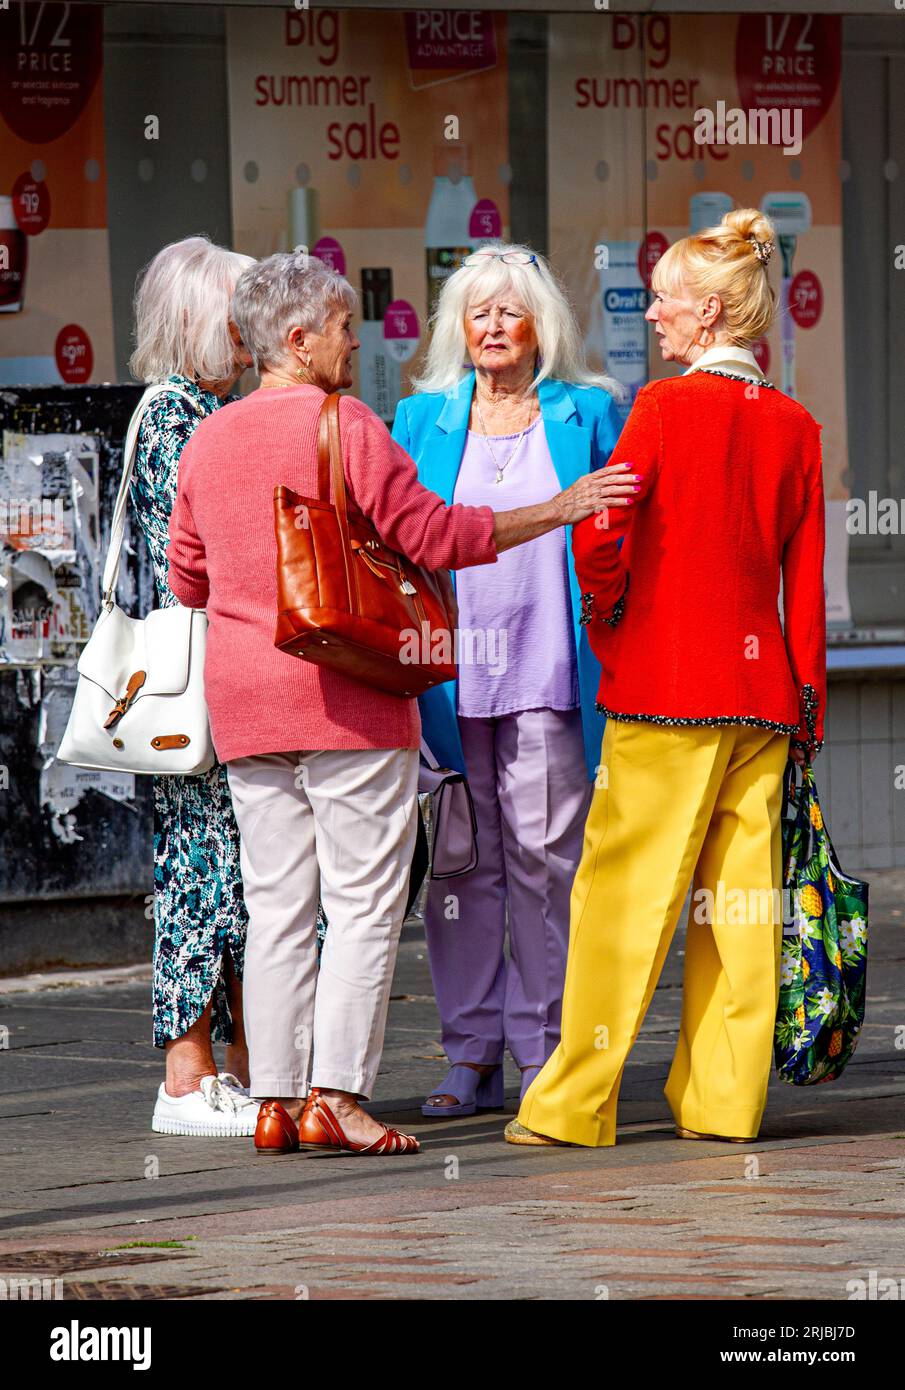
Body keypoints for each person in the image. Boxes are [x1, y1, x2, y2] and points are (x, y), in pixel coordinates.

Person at [164, 251, 633, 1156]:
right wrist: (555, 508)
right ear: (298, 343)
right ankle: (335, 1095)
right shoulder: (350, 425)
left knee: (276, 909)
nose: (356, 342)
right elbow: (431, 534)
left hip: (248, 711)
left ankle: (274, 1100)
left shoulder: (209, 438)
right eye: (343, 328)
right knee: (365, 904)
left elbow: (187, 578)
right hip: (348, 701)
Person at [506, 209, 826, 1148]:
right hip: (761, 701)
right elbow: (800, 592)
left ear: (713, 314)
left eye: (665, 301)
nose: (650, 315)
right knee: (737, 911)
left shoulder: (660, 410)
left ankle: (572, 1106)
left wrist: (610, 620)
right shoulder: (797, 427)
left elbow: (603, 529)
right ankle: (725, 1106)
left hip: (663, 687)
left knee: (621, 899)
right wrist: (803, 702)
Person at [392, 245, 629, 1118]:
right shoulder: (418, 420)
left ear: (541, 327)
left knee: (543, 866)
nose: (492, 327)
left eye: (510, 312)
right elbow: (393, 541)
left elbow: (623, 542)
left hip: (550, 672)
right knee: (460, 870)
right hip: (448, 684)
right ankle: (469, 1054)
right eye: (477, 311)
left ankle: (542, 1051)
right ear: (458, 326)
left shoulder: (590, 413)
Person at [130, 236, 261, 1137]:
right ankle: (187, 1076)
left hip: (219, 679)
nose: (253, 333)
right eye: (238, 316)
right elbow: (202, 557)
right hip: (193, 685)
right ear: (197, 322)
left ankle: (237, 1068)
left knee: (232, 871)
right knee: (198, 872)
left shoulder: (204, 411)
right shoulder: (175, 414)